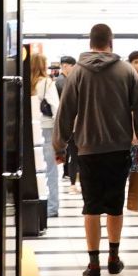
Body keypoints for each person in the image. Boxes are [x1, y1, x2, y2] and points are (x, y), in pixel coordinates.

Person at [53, 23, 138, 276]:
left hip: (87, 150)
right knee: (115, 206)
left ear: (90, 41)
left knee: (91, 206)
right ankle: (114, 258)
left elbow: (65, 113)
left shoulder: (76, 74)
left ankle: (93, 264)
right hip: (118, 149)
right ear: (111, 41)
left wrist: (59, 146)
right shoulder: (126, 71)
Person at [29, 49, 61, 219]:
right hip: (48, 129)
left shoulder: (27, 83)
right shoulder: (47, 83)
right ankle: (52, 206)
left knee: (35, 170)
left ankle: (36, 203)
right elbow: (56, 108)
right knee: (50, 170)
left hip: (31, 130)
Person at [57, 54, 79, 186]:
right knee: (73, 152)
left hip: (67, 122)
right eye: (73, 66)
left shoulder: (62, 80)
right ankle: (72, 181)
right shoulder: (63, 82)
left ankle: (68, 174)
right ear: (66, 66)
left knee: (71, 151)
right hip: (69, 123)